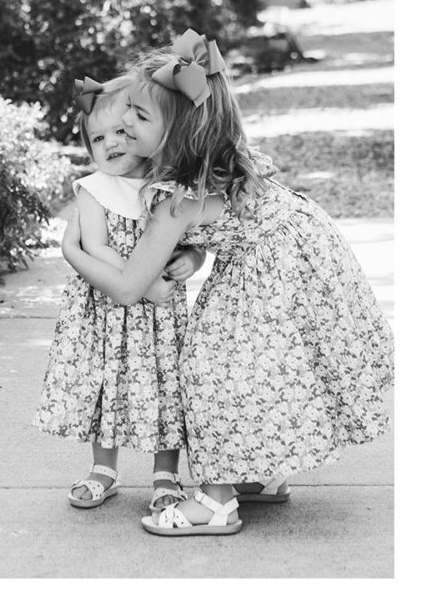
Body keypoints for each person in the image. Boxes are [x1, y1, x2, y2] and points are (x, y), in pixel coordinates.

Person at [61, 29, 394, 536]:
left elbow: (129, 288)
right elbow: (149, 98)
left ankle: (216, 500)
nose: (124, 123)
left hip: (272, 266)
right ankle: (256, 474)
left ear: (174, 136)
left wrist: (74, 251)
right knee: (261, 366)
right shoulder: (213, 151)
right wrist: (137, 92)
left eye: (138, 118)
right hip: (300, 247)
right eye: (126, 110)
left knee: (211, 365)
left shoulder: (175, 199)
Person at [33, 75, 206, 513]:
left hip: (162, 315)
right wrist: (146, 283)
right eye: (97, 138)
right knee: (105, 382)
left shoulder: (168, 182)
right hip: (107, 307)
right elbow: (97, 246)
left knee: (166, 384)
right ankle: (103, 469)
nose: (110, 143)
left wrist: (193, 260)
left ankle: (165, 473)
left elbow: (192, 237)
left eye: (121, 133)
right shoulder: (94, 189)